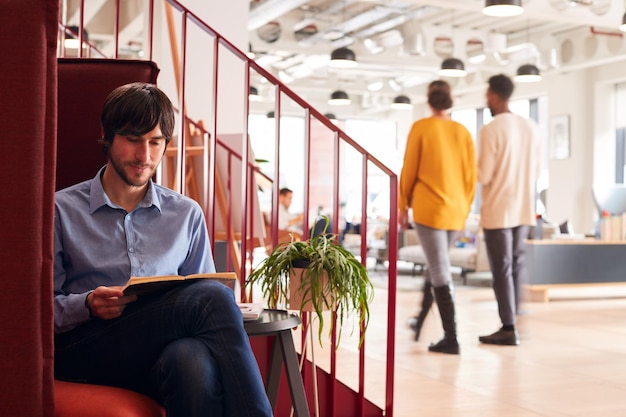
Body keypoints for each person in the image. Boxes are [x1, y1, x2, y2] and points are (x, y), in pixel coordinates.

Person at [53, 82, 273, 417]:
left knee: (191, 360)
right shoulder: (60, 209)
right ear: (107, 136)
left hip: (157, 357)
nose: (145, 156)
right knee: (213, 297)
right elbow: (34, 313)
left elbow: (201, 295)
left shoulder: (186, 214)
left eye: (155, 142)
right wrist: (87, 304)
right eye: (132, 140)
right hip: (87, 347)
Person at [398, 80, 476, 355]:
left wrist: (402, 203)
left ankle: (451, 337)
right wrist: (465, 207)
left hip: (429, 208)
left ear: (429, 101)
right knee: (435, 266)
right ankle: (419, 320)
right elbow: (470, 178)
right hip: (456, 210)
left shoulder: (421, 128)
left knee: (440, 271)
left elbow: (409, 170)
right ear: (449, 100)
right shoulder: (462, 131)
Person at [477, 74, 542, 346]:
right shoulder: (531, 126)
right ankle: (514, 319)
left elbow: (484, 175)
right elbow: (537, 169)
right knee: (516, 265)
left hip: (498, 210)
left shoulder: (491, 129)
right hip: (524, 208)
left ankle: (507, 327)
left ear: (493, 95)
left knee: (501, 269)